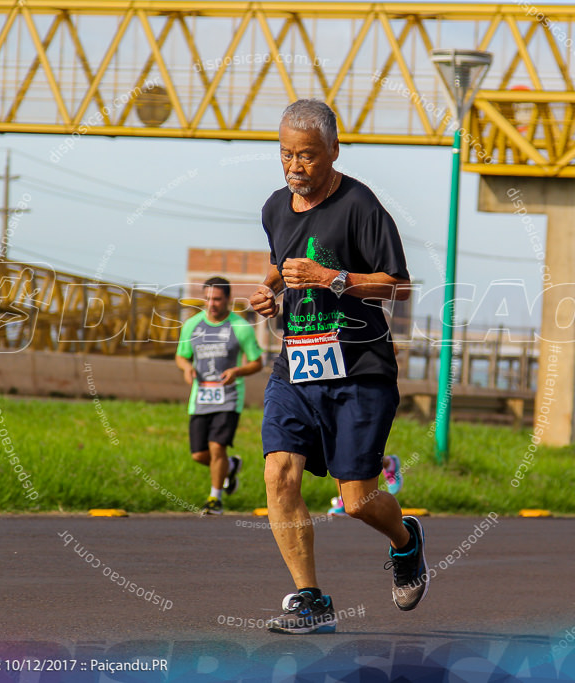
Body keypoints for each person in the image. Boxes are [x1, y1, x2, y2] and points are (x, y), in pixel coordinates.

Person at [249, 99, 427, 635]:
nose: (294, 167)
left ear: (333, 151)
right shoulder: (274, 207)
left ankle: (406, 540)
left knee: (357, 500)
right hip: (297, 366)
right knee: (279, 474)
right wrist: (268, 288)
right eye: (285, 155)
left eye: (306, 156)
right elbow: (284, 260)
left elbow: (399, 285)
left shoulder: (361, 206)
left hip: (359, 371)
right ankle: (310, 599)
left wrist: (333, 279)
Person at [176, 277, 264, 515]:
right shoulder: (192, 325)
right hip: (200, 398)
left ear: (227, 300)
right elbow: (181, 355)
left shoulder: (240, 327)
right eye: (207, 299)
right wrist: (187, 368)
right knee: (199, 454)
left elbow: (257, 363)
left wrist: (237, 371)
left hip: (229, 397)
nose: (211, 304)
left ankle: (215, 499)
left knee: (217, 448)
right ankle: (231, 465)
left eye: (216, 299)